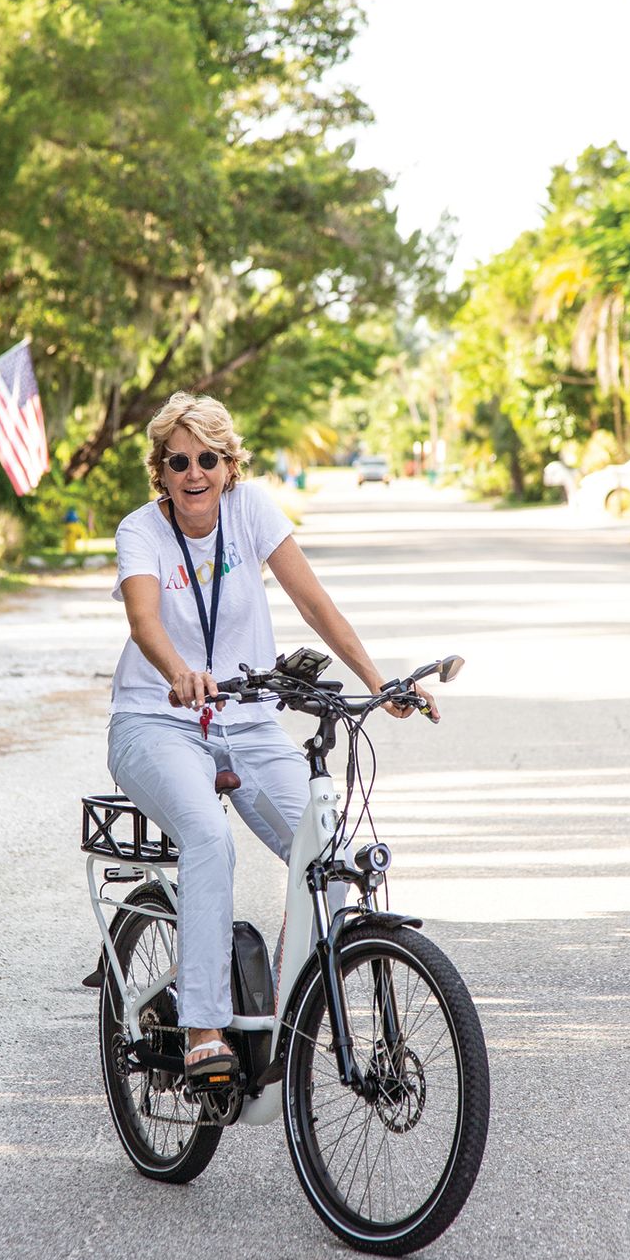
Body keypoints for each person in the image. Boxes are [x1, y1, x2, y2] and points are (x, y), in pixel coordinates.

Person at [107, 392, 438, 1086]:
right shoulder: (141, 531)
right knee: (208, 838)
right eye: (179, 462)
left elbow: (313, 601)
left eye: (209, 459)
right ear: (160, 472)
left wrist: (381, 680)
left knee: (330, 856)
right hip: (157, 721)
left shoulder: (252, 511)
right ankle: (202, 1028)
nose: (194, 473)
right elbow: (144, 619)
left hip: (247, 720)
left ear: (230, 465)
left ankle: (292, 1010)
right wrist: (179, 674)